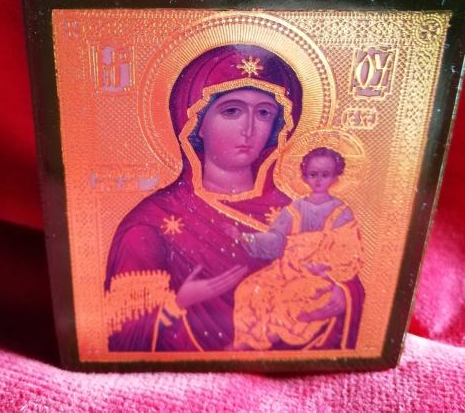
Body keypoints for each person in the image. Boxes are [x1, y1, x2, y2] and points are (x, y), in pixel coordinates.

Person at [104, 44, 363, 352]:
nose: (249, 129)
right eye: (231, 111)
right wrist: (178, 303)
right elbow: (125, 337)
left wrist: (343, 295)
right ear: (196, 124)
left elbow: (342, 272)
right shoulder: (151, 223)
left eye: (264, 113)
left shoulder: (297, 210)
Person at [231, 147, 364, 350]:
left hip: (321, 274)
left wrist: (327, 269)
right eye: (313, 174)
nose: (318, 180)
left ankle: (264, 339)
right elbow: (276, 240)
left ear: (335, 178)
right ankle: (246, 339)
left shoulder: (341, 213)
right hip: (287, 269)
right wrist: (245, 238)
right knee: (250, 289)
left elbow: (349, 249)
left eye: (325, 175)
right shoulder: (294, 209)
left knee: (290, 298)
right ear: (304, 177)